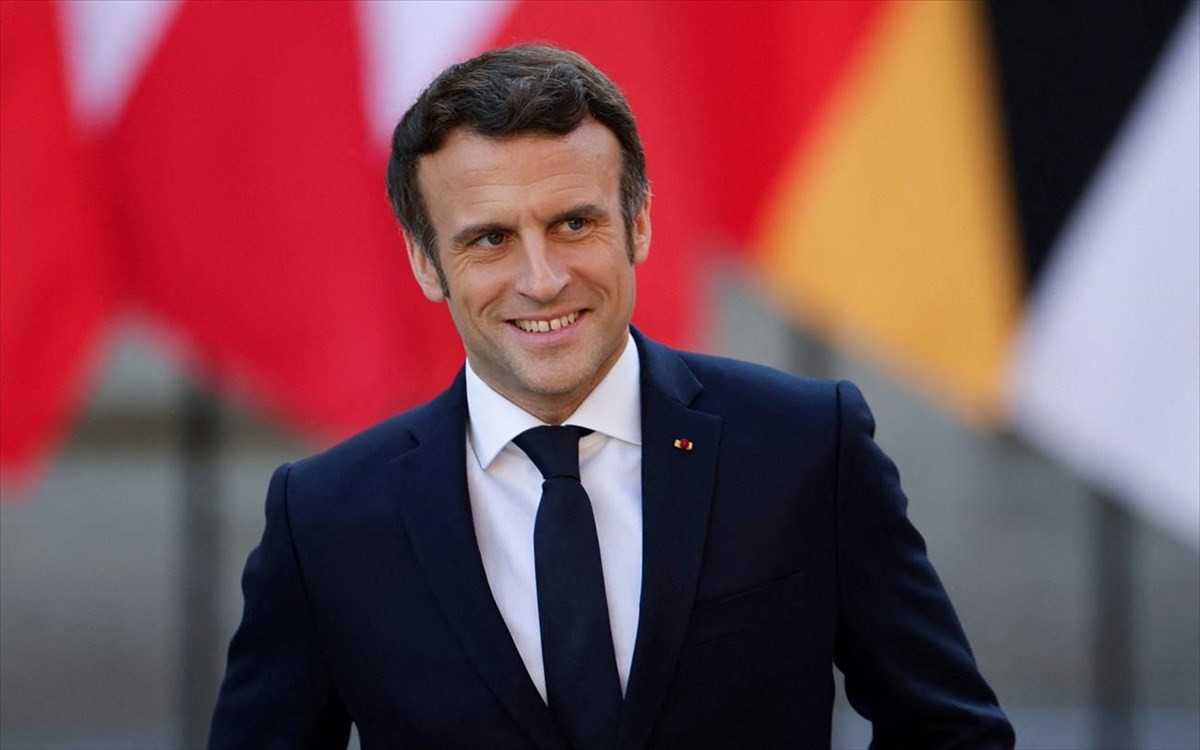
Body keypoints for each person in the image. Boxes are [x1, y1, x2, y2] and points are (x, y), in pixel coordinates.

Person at [209, 45, 1014, 749]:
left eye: (573, 224)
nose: (542, 279)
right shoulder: (325, 519)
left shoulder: (805, 446)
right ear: (426, 263)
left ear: (639, 225)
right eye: (490, 238)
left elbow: (951, 732)